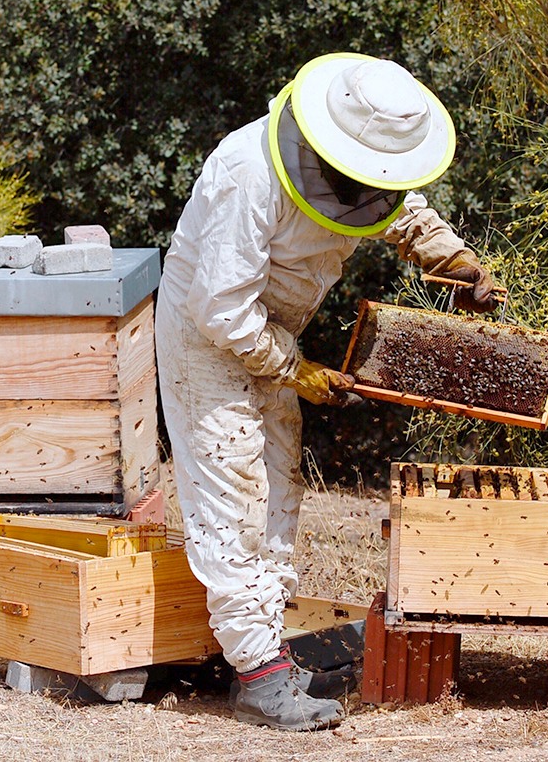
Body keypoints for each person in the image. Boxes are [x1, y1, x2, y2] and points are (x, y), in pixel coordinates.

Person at [155, 52, 497, 731]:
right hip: (208, 339)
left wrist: (448, 256)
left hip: (274, 332)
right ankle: (259, 677)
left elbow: (396, 204)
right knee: (233, 497)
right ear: (325, 143)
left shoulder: (365, 171)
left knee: (278, 487)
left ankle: (263, 653)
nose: (364, 183)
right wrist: (296, 370)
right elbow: (220, 310)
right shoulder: (248, 172)